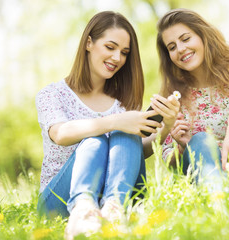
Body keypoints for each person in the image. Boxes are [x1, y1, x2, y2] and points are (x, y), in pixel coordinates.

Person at [35, 11, 179, 239]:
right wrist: (114, 121)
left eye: (124, 53)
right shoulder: (52, 94)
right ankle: (82, 208)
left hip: (114, 196)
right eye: (110, 47)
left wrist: (167, 124)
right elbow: (60, 133)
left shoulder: (121, 104)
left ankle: (114, 209)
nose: (117, 58)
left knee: (126, 135)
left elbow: (134, 153)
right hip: (58, 201)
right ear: (89, 43)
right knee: (95, 138)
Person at [156, 8, 229, 191]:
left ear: (203, 36)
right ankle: (218, 202)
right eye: (172, 47)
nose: (180, 49)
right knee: (201, 139)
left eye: (186, 39)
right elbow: (171, 164)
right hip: (199, 175)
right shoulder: (173, 99)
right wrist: (183, 146)